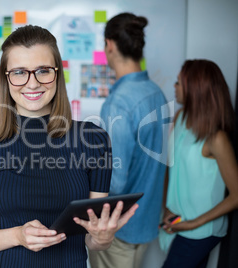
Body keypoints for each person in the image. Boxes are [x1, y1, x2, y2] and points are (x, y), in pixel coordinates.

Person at [0, 25, 138, 268]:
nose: (32, 83)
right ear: (6, 77)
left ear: (57, 74)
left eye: (43, 70)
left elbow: (93, 240)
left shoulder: (94, 140)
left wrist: (102, 237)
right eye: (19, 72)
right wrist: (17, 235)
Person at [89, 13, 168, 268]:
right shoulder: (156, 92)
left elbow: (115, 181)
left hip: (119, 231)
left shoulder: (119, 102)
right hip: (146, 223)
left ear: (109, 45)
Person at [160, 59, 238, 268]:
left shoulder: (216, 138)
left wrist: (194, 223)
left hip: (202, 230)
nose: (174, 87)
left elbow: (237, 195)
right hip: (178, 222)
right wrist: (166, 208)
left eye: (178, 83)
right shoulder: (180, 117)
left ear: (195, 88)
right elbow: (171, 167)